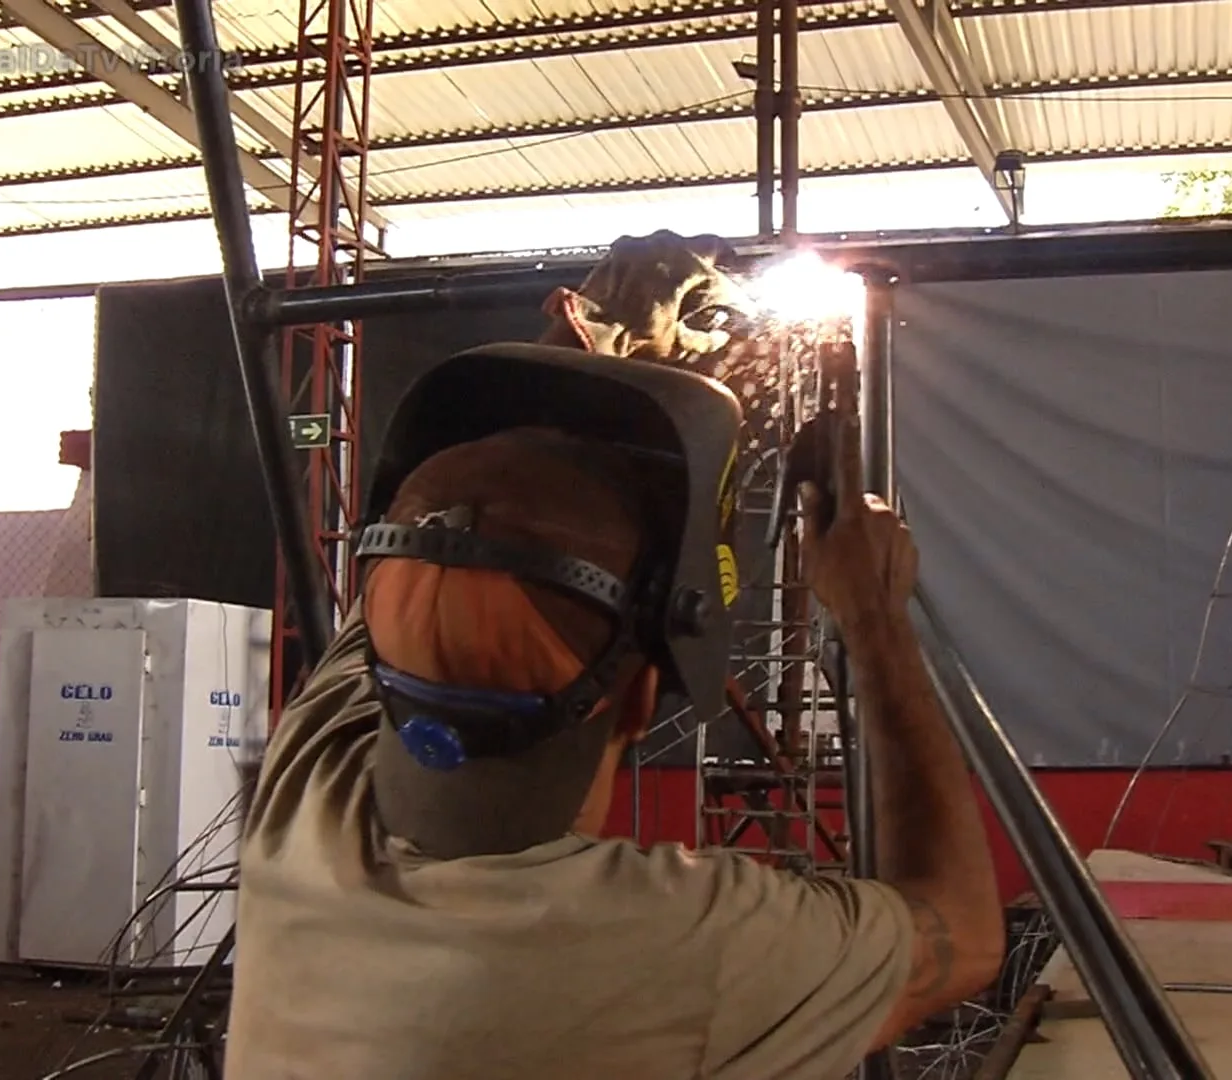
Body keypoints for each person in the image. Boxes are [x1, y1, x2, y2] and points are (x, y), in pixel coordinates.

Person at [223, 344, 1003, 1079]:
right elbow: (961, 932)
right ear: (642, 691)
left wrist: (578, 369)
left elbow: (447, 555)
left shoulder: (307, 795)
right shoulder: (675, 946)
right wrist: (874, 617)